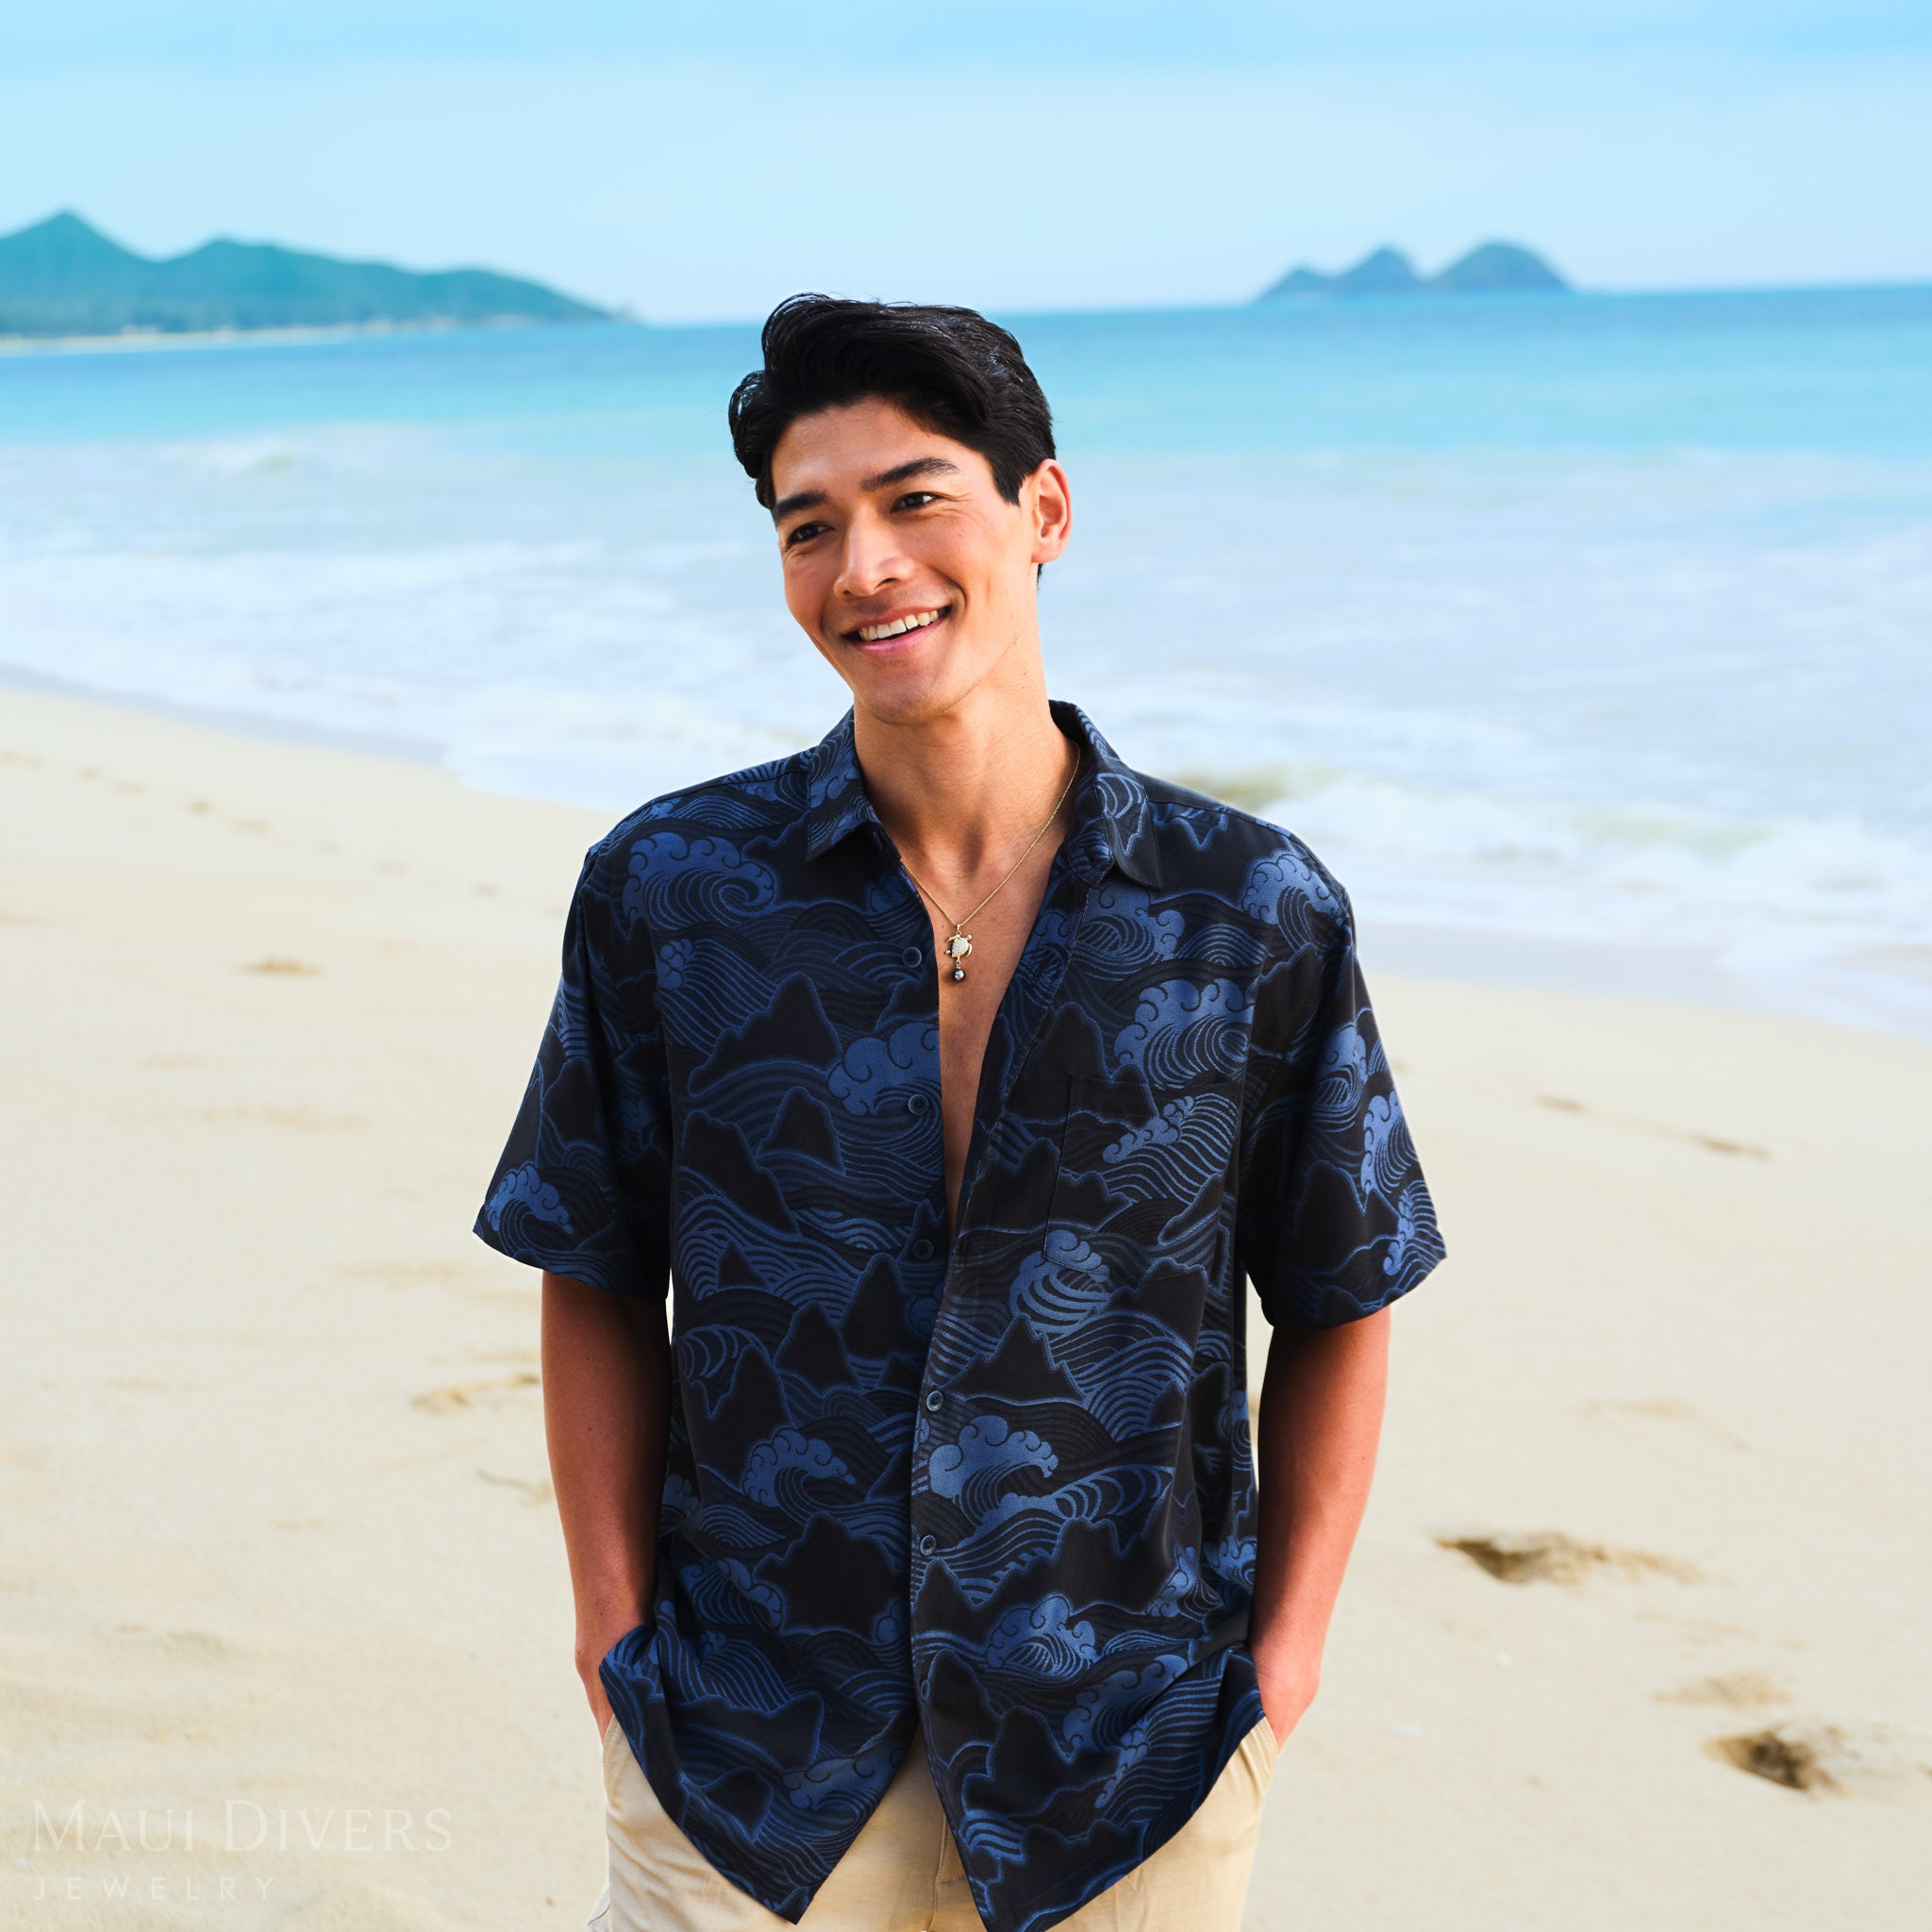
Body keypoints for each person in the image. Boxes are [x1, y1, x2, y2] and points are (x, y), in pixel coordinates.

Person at [476, 294, 1444, 1932]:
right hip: (744, 1757)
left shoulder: (1248, 910)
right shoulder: (672, 891)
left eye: (916, 497)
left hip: (1130, 1760)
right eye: (809, 526)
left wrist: (1282, 1665)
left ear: (1043, 512)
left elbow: (1343, 1290)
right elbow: (591, 1256)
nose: (863, 565)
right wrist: (609, 1627)